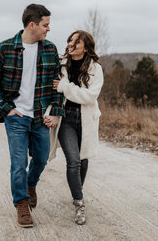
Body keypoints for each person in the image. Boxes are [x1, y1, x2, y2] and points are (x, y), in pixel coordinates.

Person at [0, 3, 64, 228]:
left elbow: (58, 85)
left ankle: (31, 185)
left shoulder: (49, 49)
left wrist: (56, 113)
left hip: (40, 116)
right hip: (16, 117)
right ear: (32, 25)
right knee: (18, 162)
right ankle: (21, 203)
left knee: (41, 158)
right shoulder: (5, 48)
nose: (48, 29)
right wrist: (7, 109)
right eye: (45, 25)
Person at [45, 30, 103, 225]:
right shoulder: (60, 64)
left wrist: (65, 87)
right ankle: (79, 203)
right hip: (66, 119)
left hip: (86, 119)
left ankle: (76, 192)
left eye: (76, 42)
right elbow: (53, 92)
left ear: (85, 47)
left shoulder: (96, 69)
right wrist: (50, 111)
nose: (71, 44)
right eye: (70, 40)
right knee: (74, 161)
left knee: (84, 160)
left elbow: (88, 97)